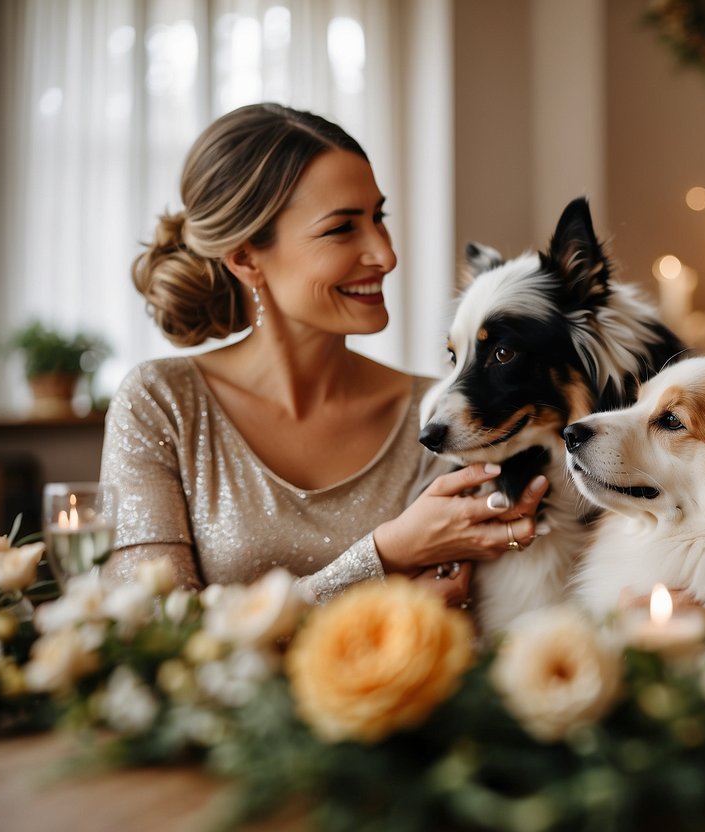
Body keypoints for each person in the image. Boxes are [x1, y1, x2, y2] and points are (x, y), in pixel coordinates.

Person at [101, 103, 547, 608]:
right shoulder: (162, 404)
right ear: (246, 258)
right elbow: (147, 633)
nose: (385, 254)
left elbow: (458, 613)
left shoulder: (440, 416)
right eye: (341, 228)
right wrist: (383, 559)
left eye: (379, 218)